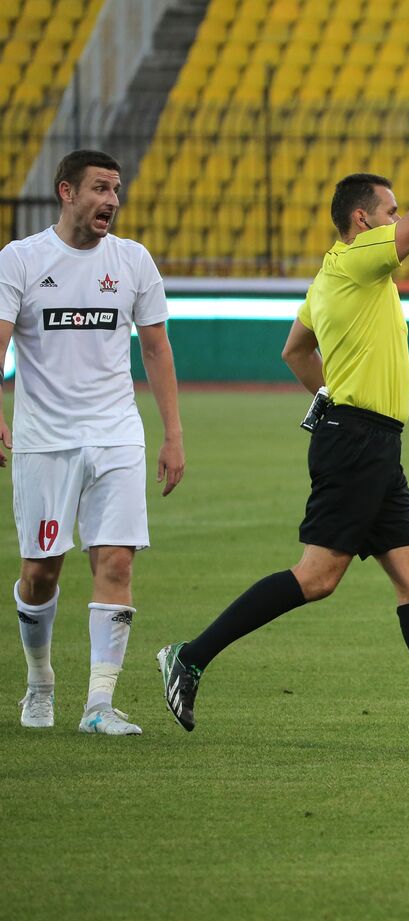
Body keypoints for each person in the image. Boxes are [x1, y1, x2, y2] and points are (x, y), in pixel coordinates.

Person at [157, 101, 409, 755]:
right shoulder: (359, 261)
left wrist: (327, 396)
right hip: (358, 439)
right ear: (363, 219)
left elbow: (294, 351)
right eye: (387, 211)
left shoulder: (330, 278)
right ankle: (189, 656)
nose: (396, 220)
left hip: (368, 438)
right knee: (318, 576)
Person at [0, 149, 185, 735]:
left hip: (115, 436)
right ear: (66, 191)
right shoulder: (21, 260)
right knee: (41, 571)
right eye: (100, 189)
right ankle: (39, 682)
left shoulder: (132, 261)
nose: (111, 200)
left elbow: (155, 348)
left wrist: (172, 434)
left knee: (116, 560)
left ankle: (99, 706)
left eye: (116, 190)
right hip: (44, 440)